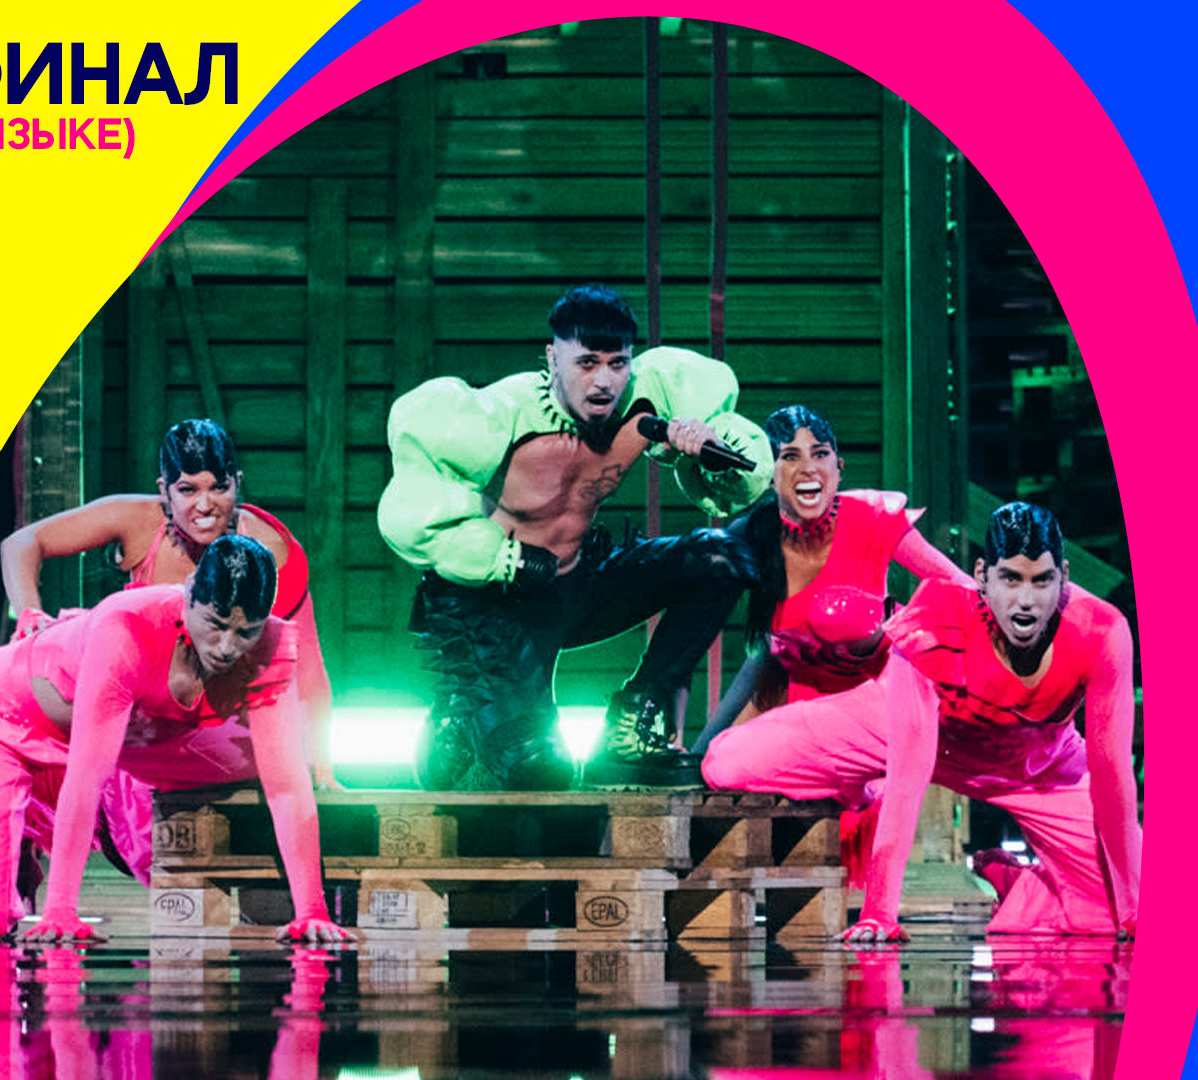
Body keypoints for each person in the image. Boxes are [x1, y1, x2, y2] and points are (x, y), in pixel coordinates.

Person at [378, 283, 771, 789]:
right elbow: (415, 517)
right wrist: (502, 560)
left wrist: (710, 451)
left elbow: (741, 486)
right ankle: (462, 709)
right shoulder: (499, 415)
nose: (603, 381)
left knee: (723, 558)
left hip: (574, 582)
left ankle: (633, 722)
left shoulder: (647, 403)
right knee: (539, 768)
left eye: (617, 363)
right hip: (493, 602)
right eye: (587, 363)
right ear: (552, 358)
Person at [0, 535, 351, 945]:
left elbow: (286, 788)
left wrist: (312, 911)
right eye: (216, 624)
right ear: (190, 594)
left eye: (245, 632)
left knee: (270, 753)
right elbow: (87, 780)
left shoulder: (269, 648)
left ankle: (21, 836)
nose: (227, 647)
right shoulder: (129, 630)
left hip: (105, 740)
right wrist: (61, 910)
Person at [703, 503, 1141, 940]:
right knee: (729, 764)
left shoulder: (1101, 631)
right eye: (1011, 579)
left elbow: (1113, 774)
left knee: (1109, 915)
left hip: (1037, 767)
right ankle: (859, 789)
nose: (1026, 601)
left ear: (1063, 577)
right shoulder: (935, 621)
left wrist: (1132, 909)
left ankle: (1013, 882)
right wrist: (879, 913)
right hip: (912, 730)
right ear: (982, 575)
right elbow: (908, 777)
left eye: (1042, 581)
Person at [1, 418, 336, 788]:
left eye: (219, 488)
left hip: (212, 720)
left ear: (237, 484)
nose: (205, 505)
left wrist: (323, 769)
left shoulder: (269, 550)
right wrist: (29, 615)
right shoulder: (140, 521)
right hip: (135, 708)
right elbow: (21, 543)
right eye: (188, 490)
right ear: (165, 491)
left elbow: (309, 674)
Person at [694, 405, 970, 747]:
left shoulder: (872, 516)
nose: (808, 468)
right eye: (790, 456)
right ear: (769, 474)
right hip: (798, 710)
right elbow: (759, 660)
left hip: (882, 709)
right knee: (719, 763)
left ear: (839, 467)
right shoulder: (752, 533)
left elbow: (963, 590)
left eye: (820, 453)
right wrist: (703, 749)